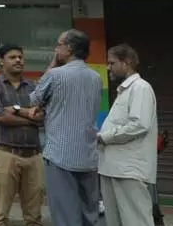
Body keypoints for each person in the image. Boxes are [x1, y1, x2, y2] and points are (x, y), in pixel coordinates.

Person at [31, 29, 104, 226]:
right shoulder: (96, 77)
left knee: (65, 216)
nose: (56, 49)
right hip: (88, 155)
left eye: (59, 45)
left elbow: (34, 98)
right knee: (90, 214)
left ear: (69, 48)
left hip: (60, 155)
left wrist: (53, 64)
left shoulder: (55, 75)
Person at [0, 43, 46, 226]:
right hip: (4, 154)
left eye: (20, 57)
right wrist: (30, 118)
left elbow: (42, 116)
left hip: (33, 156)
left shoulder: (33, 87)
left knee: (34, 217)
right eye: (12, 57)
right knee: (0, 215)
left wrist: (16, 109)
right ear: (1, 61)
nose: (18, 60)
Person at [98, 44, 158, 226]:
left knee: (136, 221)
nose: (108, 67)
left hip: (129, 170)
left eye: (112, 63)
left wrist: (105, 136)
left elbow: (139, 125)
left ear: (127, 63)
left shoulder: (140, 88)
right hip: (112, 168)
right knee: (114, 221)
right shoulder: (125, 90)